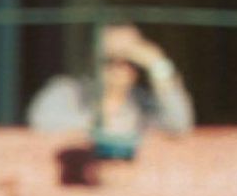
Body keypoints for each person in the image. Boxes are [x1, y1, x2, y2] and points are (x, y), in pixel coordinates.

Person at [27, 23, 194, 142]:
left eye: (130, 60)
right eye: (110, 59)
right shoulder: (66, 91)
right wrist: (99, 121)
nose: (120, 68)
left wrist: (158, 65)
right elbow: (42, 123)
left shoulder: (142, 102)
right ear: (91, 59)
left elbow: (179, 125)